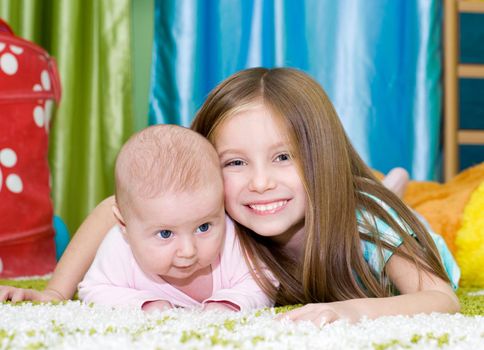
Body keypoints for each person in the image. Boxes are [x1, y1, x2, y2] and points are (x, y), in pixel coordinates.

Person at [0, 68, 459, 325]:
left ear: (320, 155)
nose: (258, 183)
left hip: (373, 222)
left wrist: (354, 310)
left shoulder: (366, 225)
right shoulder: (216, 211)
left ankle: (393, 189)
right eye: (235, 163)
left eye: (283, 157)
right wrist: (56, 292)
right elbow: (109, 211)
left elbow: (442, 299)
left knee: (382, 203)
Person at [3, 124, 274, 312]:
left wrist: (230, 302)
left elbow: (264, 281)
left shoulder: (232, 241)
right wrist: (143, 303)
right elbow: (94, 290)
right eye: (165, 234)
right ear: (124, 226)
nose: (188, 251)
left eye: (204, 227)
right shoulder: (119, 249)